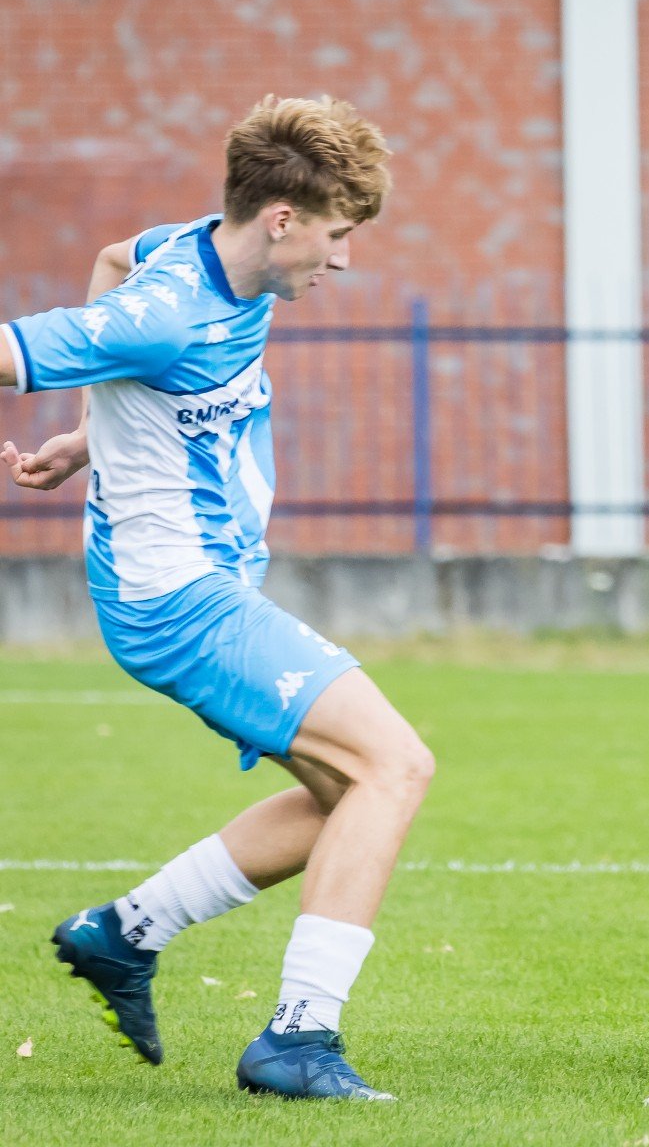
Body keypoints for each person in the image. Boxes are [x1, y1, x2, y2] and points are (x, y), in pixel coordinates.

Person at [2, 96, 433, 1100]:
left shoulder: (189, 253)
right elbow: (43, 339)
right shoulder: (170, 312)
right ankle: (300, 1038)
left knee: (345, 790)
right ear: (282, 219)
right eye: (339, 234)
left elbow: (113, 254)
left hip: (195, 588)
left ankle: (125, 932)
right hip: (180, 600)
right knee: (395, 765)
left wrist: (94, 435)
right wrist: (101, 403)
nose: (346, 259)